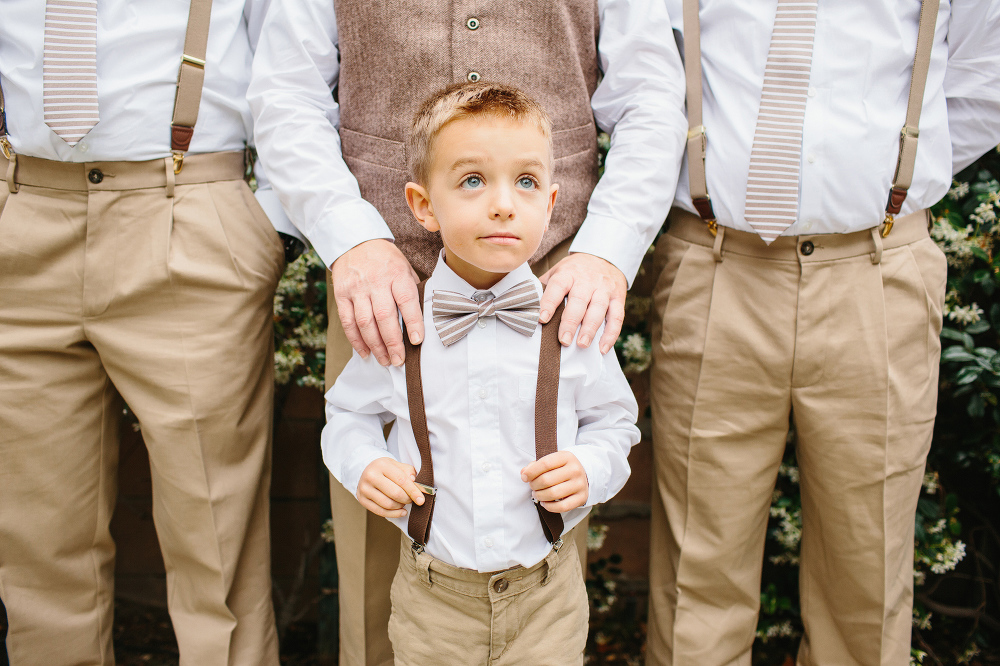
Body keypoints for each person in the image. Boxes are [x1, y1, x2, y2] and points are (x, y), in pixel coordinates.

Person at [248, 1, 686, 662]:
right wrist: (351, 238)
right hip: (381, 282)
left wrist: (608, 248)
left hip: (553, 282)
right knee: (378, 578)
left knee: (543, 555)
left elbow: (650, 95)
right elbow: (286, 92)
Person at [647, 1, 1000, 664]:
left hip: (876, 269)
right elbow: (638, 73)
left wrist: (885, 165)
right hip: (716, 265)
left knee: (867, 570)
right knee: (697, 568)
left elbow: (986, 80)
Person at [0, 1, 298, 663]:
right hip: (23, 214)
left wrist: (267, 224)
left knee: (215, 541)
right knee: (36, 542)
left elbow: (288, 72)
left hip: (187, 208)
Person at [322, 81, 640, 665]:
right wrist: (365, 462)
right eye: (473, 180)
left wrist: (590, 469)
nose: (502, 204)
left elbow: (615, 424)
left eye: (525, 182)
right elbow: (348, 415)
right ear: (423, 206)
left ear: (550, 203)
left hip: (548, 596)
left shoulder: (571, 323)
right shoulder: (402, 325)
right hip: (432, 600)